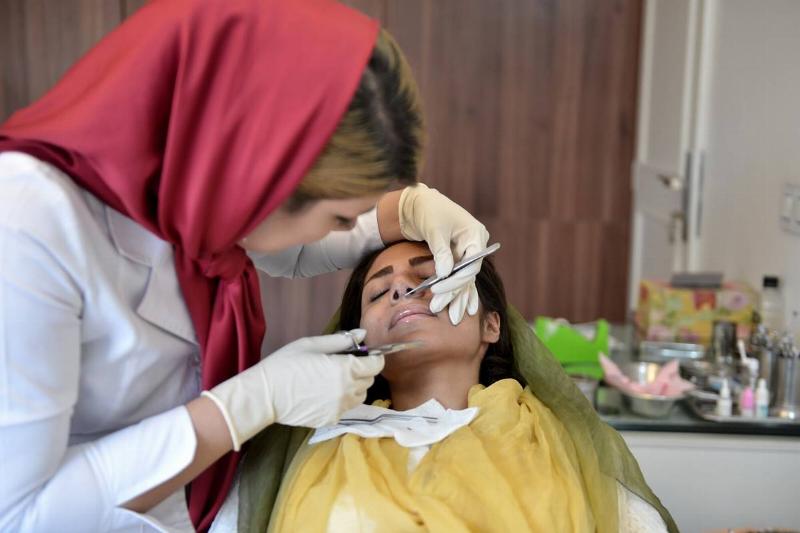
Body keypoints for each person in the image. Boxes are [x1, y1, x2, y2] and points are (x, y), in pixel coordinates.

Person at [0, 1, 490, 532]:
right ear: (258, 179)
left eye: (424, 279)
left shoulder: (198, 186)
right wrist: (243, 407)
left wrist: (409, 210)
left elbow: (287, 245)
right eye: (340, 217)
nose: (399, 292)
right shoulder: (27, 224)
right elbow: (20, 513)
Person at [222, 241, 678, 532]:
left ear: (492, 326)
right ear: (359, 339)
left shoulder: (552, 448)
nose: (400, 288)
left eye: (429, 279)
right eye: (378, 294)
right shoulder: (317, 450)